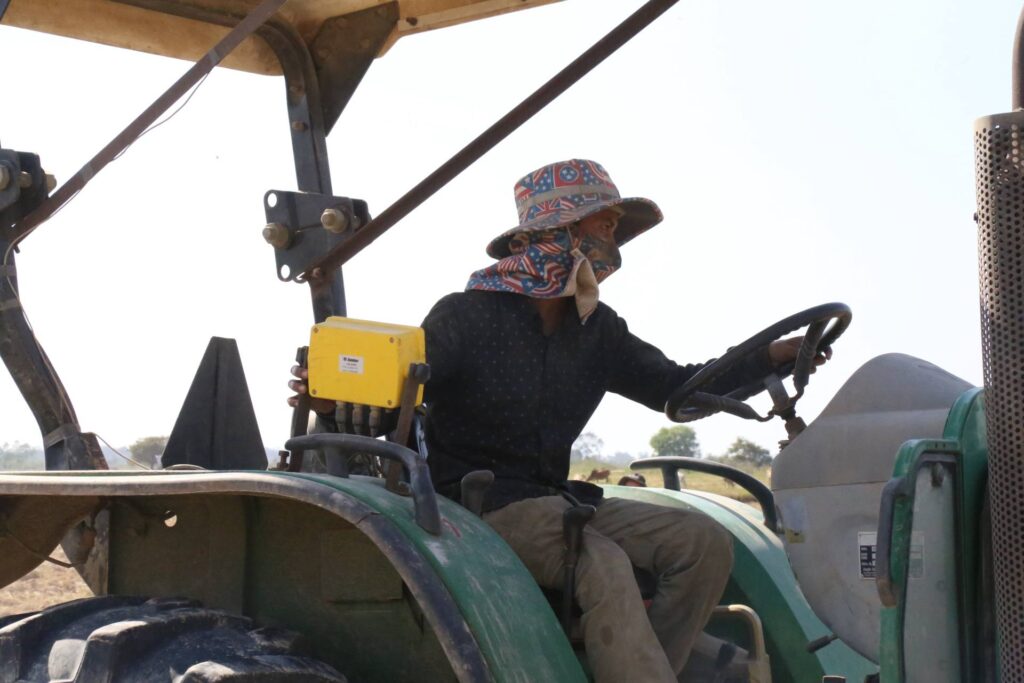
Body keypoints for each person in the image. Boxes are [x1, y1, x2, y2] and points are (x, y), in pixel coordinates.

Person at [290, 159, 826, 682]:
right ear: (558, 233)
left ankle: (642, 668)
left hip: (557, 500)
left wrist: (768, 358)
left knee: (702, 543)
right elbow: (393, 400)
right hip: (477, 505)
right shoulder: (467, 315)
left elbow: (676, 388)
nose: (614, 243)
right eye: (605, 226)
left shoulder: (598, 330)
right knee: (600, 563)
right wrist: (330, 400)